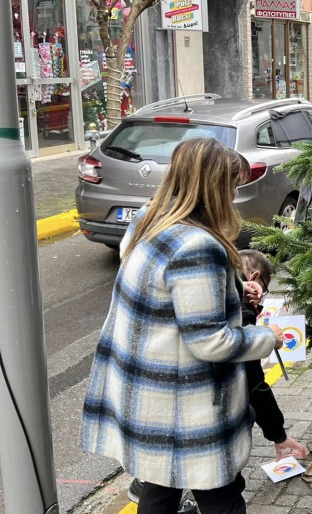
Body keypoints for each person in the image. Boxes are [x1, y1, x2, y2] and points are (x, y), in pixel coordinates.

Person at [81, 138, 285, 514]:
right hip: (185, 404)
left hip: (145, 390)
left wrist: (236, 291)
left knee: (158, 488)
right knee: (219, 496)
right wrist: (266, 337)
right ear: (215, 188)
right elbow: (210, 342)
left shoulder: (149, 220)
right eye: (233, 187)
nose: (236, 196)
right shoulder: (197, 246)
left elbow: (165, 296)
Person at [239, 250, 310, 461]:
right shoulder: (242, 312)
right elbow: (255, 384)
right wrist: (279, 436)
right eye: (265, 290)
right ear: (253, 279)